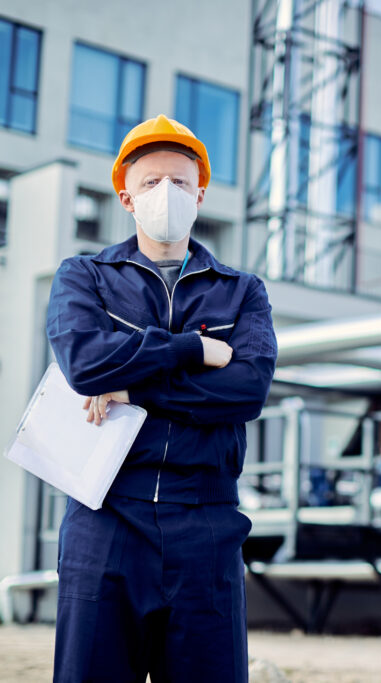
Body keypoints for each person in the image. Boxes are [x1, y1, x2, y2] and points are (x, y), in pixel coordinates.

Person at [46, 114, 278, 681]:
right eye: (151, 183)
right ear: (125, 195)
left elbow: (247, 390)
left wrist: (130, 381)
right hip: (105, 517)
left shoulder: (243, 290)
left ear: (200, 193)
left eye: (179, 182)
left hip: (207, 520)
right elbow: (84, 364)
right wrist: (190, 351)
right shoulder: (85, 277)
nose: (165, 194)